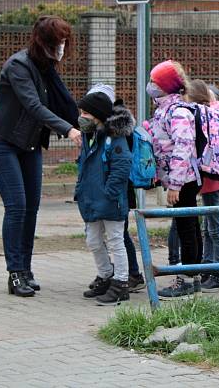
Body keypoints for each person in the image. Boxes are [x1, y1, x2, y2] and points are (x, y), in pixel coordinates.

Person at [0, 16, 83, 297]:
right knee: (16, 206)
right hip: (3, 143)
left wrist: (87, 122)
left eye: (65, 41)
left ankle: (26, 269)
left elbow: (64, 102)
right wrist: (68, 130)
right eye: (58, 42)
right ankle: (15, 273)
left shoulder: (46, 68)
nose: (62, 47)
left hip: (29, 146)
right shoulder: (18, 66)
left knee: (31, 209)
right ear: (43, 42)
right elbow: (33, 105)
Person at [147, 60, 202, 300]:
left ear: (166, 86)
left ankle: (188, 278)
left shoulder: (178, 111)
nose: (150, 86)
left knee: (185, 227)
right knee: (188, 224)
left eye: (154, 82)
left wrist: (175, 184)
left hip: (184, 179)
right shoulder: (164, 110)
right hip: (178, 178)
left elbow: (183, 147)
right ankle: (195, 274)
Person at [74, 89, 132, 306]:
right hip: (90, 199)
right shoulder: (90, 136)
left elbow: (121, 167)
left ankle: (121, 283)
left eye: (85, 112)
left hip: (110, 200)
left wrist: (109, 192)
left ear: (97, 114)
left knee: (116, 241)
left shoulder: (115, 139)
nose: (81, 116)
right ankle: (106, 275)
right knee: (93, 240)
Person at [185, 79, 219, 292]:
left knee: (215, 225)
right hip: (210, 174)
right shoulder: (209, 113)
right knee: (209, 225)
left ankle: (218, 272)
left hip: (210, 175)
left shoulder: (206, 115)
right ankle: (209, 268)